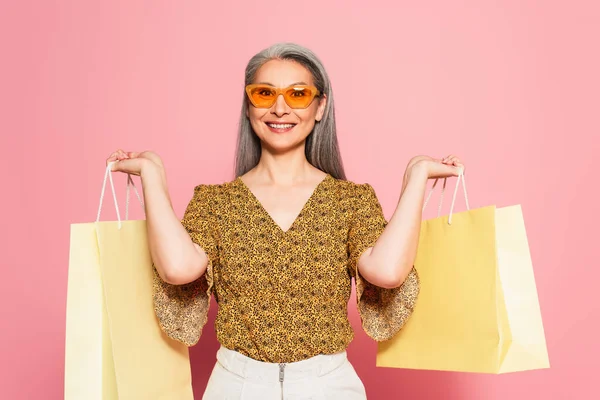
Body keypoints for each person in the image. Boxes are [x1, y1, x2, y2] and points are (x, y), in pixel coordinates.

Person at [106, 42, 464, 399]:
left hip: (328, 384)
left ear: (320, 106)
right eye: (264, 93)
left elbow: (386, 271)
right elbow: (177, 269)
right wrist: (152, 174)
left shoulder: (350, 200)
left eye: (297, 94)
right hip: (237, 383)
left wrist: (416, 176)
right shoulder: (215, 202)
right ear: (249, 106)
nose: (280, 109)